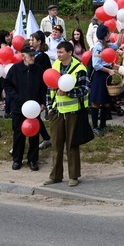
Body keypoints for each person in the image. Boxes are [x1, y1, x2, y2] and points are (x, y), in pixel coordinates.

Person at [45, 41, 89, 187]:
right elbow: (49, 88)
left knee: (72, 145)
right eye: (57, 52)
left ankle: (73, 176)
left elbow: (84, 89)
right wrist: (49, 106)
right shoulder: (55, 66)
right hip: (57, 111)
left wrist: (68, 92)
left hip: (73, 112)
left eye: (61, 52)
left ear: (70, 53)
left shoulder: (79, 68)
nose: (58, 55)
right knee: (56, 145)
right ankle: (55, 176)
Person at [3, 47, 46, 171]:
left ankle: (33, 159)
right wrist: (17, 97)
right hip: (18, 107)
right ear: (23, 56)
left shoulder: (38, 69)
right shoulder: (15, 69)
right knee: (18, 134)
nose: (32, 58)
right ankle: (17, 159)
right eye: (30, 55)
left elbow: (43, 87)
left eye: (34, 55)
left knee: (34, 134)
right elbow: (7, 84)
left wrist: (42, 102)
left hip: (34, 107)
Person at [88, 25, 117, 136]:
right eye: (109, 33)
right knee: (96, 102)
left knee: (106, 102)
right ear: (105, 35)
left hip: (107, 76)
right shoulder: (98, 47)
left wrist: (122, 34)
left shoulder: (107, 45)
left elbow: (116, 45)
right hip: (100, 76)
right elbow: (96, 65)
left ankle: (103, 125)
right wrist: (108, 71)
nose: (110, 34)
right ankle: (95, 126)